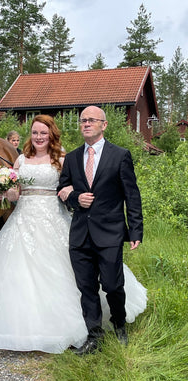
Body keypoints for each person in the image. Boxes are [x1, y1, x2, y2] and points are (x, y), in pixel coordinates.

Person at [0, 115, 146, 354]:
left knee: (73, 274)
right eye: (35, 133)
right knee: (17, 274)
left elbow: (74, 183)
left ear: (51, 135)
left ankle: (100, 324)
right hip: (23, 220)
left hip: (54, 218)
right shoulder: (21, 159)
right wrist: (5, 190)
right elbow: (17, 194)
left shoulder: (63, 157)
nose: (38, 137)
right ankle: (23, 329)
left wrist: (70, 191)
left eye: (43, 133)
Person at [58, 106, 144, 355]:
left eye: (91, 120)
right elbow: (63, 190)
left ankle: (119, 326)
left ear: (104, 125)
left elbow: (132, 196)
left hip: (110, 233)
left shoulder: (120, 155)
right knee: (86, 288)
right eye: (82, 120)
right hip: (80, 234)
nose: (86, 124)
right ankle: (94, 335)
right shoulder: (72, 158)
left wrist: (135, 231)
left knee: (113, 285)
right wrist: (75, 198)